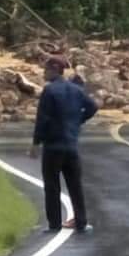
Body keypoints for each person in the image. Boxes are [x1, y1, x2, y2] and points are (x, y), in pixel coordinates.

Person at [29, 56, 98, 233]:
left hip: (53, 146)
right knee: (75, 185)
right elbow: (93, 106)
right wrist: (78, 122)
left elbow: (42, 119)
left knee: (52, 186)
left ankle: (54, 225)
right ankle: (81, 222)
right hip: (71, 145)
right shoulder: (76, 90)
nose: (43, 73)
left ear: (53, 70)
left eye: (45, 70)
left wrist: (36, 142)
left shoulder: (49, 91)